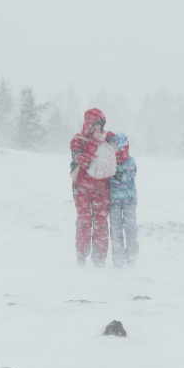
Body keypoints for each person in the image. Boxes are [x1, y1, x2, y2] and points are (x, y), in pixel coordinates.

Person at [69, 108, 115, 267]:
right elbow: (82, 160)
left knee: (101, 223)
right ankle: (81, 257)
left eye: (100, 124)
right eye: (94, 124)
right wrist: (94, 143)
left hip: (101, 188)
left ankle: (99, 259)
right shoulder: (78, 139)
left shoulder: (107, 138)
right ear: (88, 124)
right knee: (84, 222)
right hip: (82, 188)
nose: (97, 127)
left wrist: (116, 142)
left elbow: (121, 150)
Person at [107, 133, 138, 268]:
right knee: (115, 230)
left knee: (130, 228)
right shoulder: (108, 160)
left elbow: (130, 176)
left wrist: (117, 176)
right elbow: (105, 177)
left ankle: (132, 256)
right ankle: (117, 258)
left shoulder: (130, 161)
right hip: (113, 201)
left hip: (129, 200)